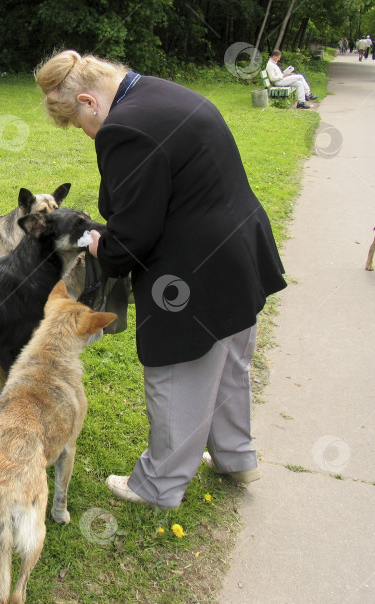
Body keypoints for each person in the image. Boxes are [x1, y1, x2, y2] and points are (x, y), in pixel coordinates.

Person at [34, 51, 287, 509]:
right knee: (229, 363)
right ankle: (236, 455)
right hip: (238, 250)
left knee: (178, 375)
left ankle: (158, 486)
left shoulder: (123, 128)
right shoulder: (161, 90)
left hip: (193, 272)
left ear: (89, 101)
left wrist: (100, 247)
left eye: (77, 123)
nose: (84, 134)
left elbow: (133, 237)